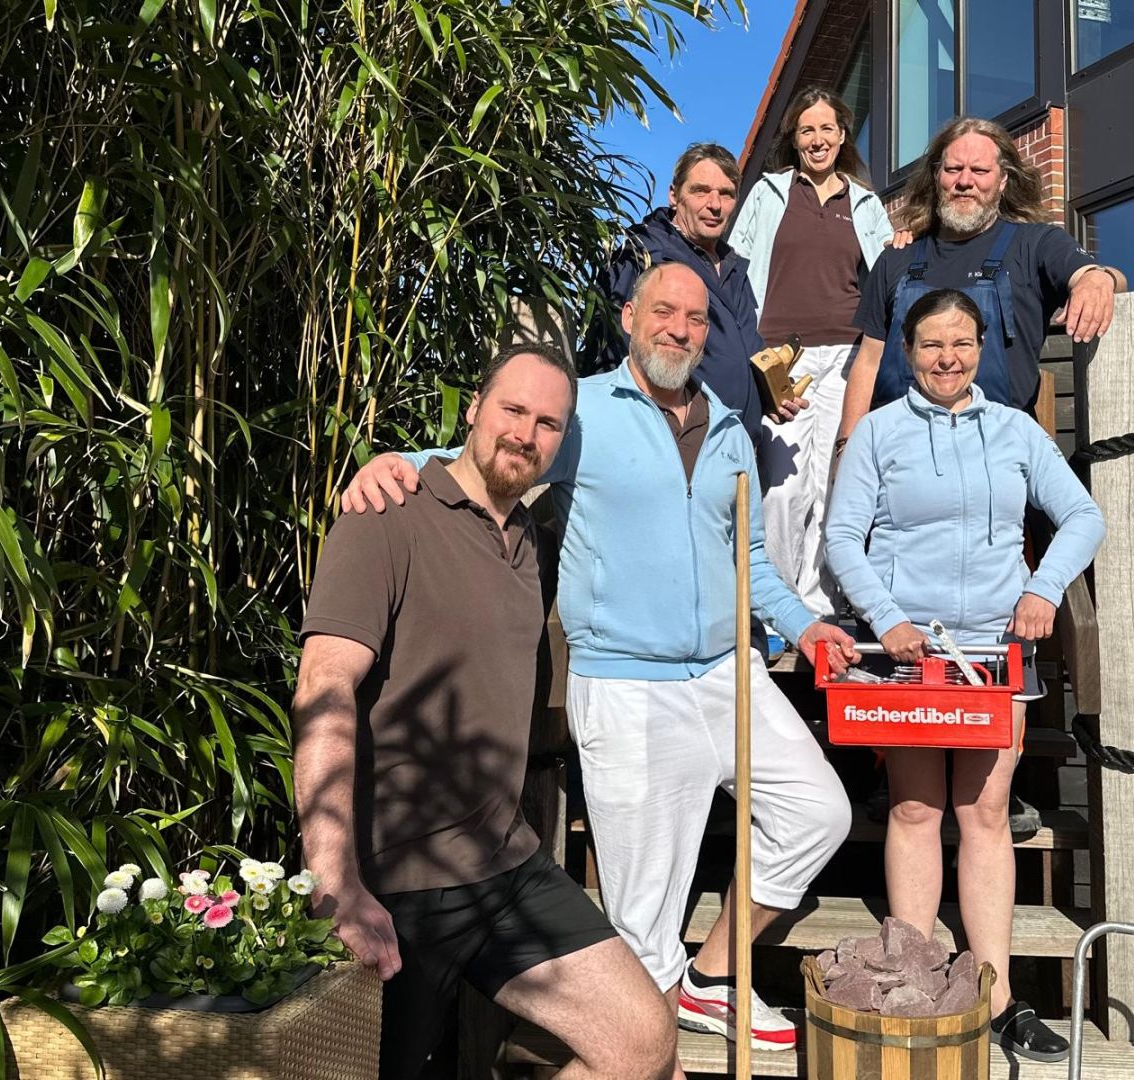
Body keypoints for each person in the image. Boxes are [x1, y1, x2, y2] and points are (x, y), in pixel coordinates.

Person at [341, 263, 856, 1063]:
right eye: (664, 312)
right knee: (642, 935)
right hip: (627, 684)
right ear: (629, 318)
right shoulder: (581, 415)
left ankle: (714, 975)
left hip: (727, 671)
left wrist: (806, 626)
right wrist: (396, 460)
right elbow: (485, 453)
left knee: (820, 813)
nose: (680, 329)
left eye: (695, 318)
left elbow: (750, 556)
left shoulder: (728, 425)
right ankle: (646, 1040)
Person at [294, 344, 676, 1080]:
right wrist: (334, 877)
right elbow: (323, 685)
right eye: (512, 410)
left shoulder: (527, 538)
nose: (526, 433)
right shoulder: (386, 515)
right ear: (472, 408)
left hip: (506, 864)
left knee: (643, 1041)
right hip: (402, 879)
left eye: (549, 423)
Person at [824, 289, 1105, 1063]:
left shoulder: (1015, 431)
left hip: (990, 656)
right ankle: (912, 981)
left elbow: (1083, 517)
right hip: (907, 657)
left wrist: (1043, 590)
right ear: (907, 353)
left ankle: (998, 996)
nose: (947, 358)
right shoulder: (878, 433)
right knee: (915, 810)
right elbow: (843, 538)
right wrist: (886, 619)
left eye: (961, 342)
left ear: (982, 346)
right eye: (930, 345)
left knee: (983, 816)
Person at [835, 116, 1127, 456]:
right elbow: (868, 360)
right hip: (898, 451)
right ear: (936, 176)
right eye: (954, 169)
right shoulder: (896, 259)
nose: (964, 181)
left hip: (999, 452)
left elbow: (1109, 276)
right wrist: (847, 447)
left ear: (1003, 181)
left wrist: (1096, 278)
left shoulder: (1034, 244)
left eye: (979, 171)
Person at [730, 87, 896, 616]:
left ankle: (822, 605)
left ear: (843, 136)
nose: (817, 139)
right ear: (795, 139)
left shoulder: (866, 203)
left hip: (848, 359)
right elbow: (736, 270)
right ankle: (776, 603)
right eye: (807, 130)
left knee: (833, 483)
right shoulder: (769, 193)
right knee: (781, 488)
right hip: (783, 358)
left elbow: (889, 272)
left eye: (827, 129)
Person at [582, 143, 805, 444]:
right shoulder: (644, 255)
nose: (715, 204)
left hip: (734, 450)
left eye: (726, 194)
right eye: (701, 191)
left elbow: (745, 356)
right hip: (668, 446)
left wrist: (769, 396)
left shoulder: (734, 268)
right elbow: (608, 357)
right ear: (674, 195)